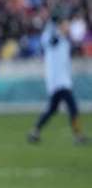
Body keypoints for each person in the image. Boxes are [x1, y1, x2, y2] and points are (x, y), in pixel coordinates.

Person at [28, 16, 87, 145]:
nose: (68, 27)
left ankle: (34, 132)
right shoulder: (50, 36)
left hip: (63, 80)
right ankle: (78, 136)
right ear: (59, 25)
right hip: (57, 81)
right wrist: (57, 28)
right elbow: (50, 42)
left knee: (52, 109)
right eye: (65, 24)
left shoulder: (65, 41)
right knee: (73, 108)